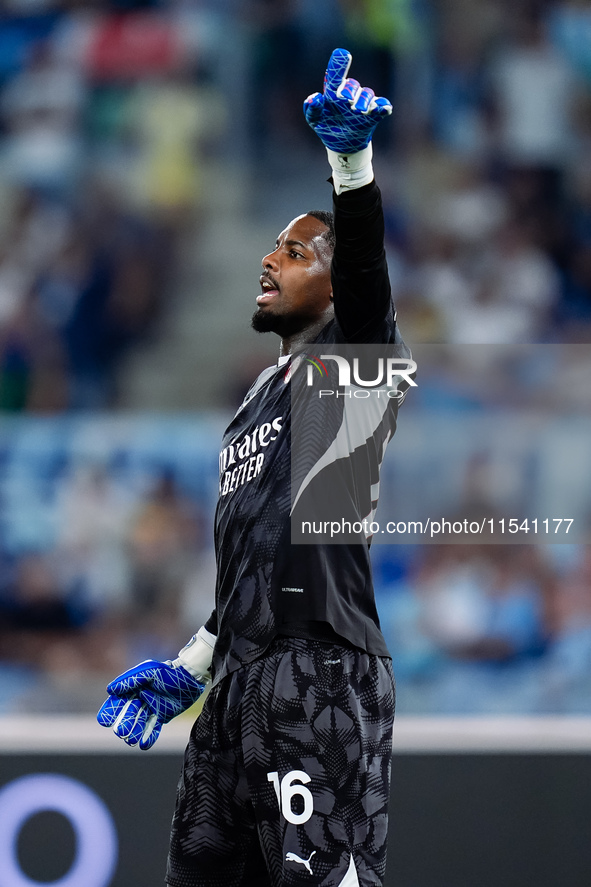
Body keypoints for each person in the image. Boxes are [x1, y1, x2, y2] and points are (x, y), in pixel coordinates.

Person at [97, 48, 410, 887]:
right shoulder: (251, 404)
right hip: (236, 690)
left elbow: (371, 278)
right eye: (271, 245)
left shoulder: (351, 366)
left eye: (297, 251)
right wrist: (192, 665)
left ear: (337, 285)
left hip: (322, 676)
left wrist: (351, 167)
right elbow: (251, 566)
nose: (269, 259)